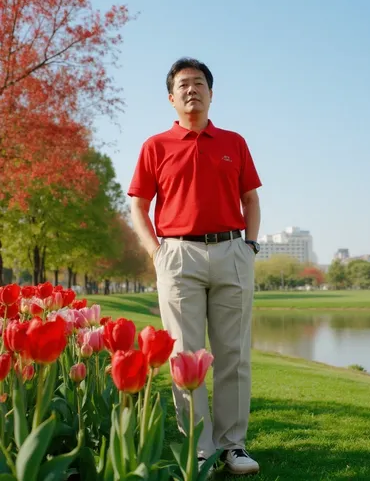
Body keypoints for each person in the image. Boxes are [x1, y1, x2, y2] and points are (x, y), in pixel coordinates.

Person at [128, 57, 262, 476]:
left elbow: (251, 200)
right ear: (171, 98)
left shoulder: (234, 142)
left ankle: (232, 446)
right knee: (186, 355)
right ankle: (199, 449)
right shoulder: (155, 146)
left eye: (199, 83)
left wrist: (251, 246)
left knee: (233, 355)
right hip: (178, 255)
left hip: (231, 252)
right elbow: (138, 205)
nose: (192, 90)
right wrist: (155, 251)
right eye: (184, 84)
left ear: (211, 92)